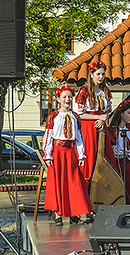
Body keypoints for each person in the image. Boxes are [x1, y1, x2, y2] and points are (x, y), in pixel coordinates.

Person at [43, 85, 93, 226]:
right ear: (58, 99)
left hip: (70, 153)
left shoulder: (75, 116)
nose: (67, 99)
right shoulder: (53, 116)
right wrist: (48, 155)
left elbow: (79, 137)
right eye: (64, 97)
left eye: (69, 97)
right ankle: (58, 214)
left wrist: (81, 154)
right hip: (57, 153)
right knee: (58, 182)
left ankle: (74, 213)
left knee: (74, 183)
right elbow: (48, 136)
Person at [74, 61, 114, 180]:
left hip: (101, 126)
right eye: (98, 74)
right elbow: (79, 114)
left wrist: (103, 118)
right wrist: (99, 117)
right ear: (91, 75)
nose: (101, 77)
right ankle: (87, 183)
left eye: (102, 74)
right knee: (90, 155)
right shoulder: (84, 91)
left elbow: (108, 110)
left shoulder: (105, 91)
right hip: (88, 128)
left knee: (104, 154)